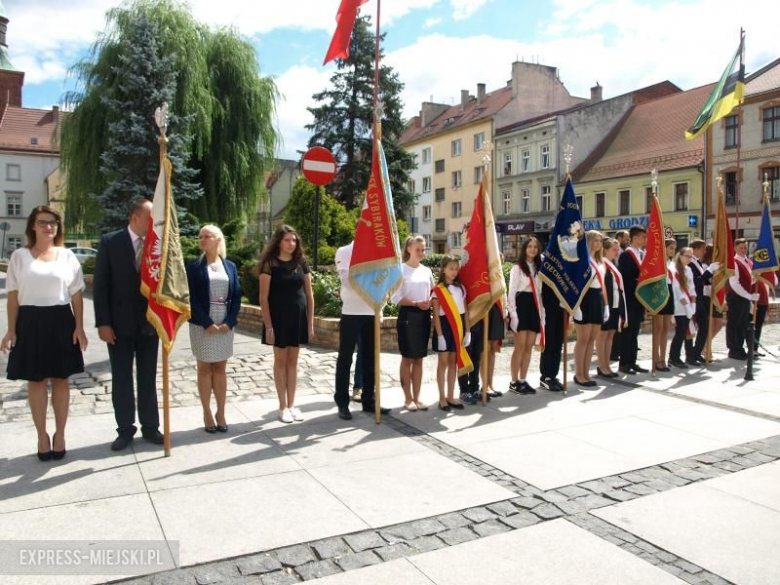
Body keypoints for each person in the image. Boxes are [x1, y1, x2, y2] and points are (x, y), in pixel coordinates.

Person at [1, 206, 87, 461]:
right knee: (36, 380)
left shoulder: (67, 256)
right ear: (33, 226)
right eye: (43, 222)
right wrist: (11, 329)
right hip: (30, 322)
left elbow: (77, 294)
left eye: (53, 223)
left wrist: (79, 327)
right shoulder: (19, 256)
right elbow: (13, 297)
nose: (49, 227)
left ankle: (60, 434)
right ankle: (41, 436)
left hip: (61, 320)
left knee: (61, 379)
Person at [94, 198, 163, 451]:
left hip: (149, 325)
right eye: (149, 218)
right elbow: (100, 287)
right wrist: (103, 322)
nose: (153, 222)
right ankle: (125, 430)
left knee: (148, 378)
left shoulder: (156, 245)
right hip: (118, 326)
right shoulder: (111, 242)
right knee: (122, 378)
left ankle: (151, 427)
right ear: (135, 218)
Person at [186, 225, 242, 433]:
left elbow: (236, 295)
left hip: (224, 324)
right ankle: (207, 412)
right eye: (200, 236)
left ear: (218, 240)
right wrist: (206, 322)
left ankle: (221, 412)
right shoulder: (194, 266)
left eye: (207, 236)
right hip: (203, 324)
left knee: (220, 368)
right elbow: (190, 296)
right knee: (204, 367)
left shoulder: (230, 266)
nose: (202, 239)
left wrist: (230, 320)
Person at [259, 225, 315, 423]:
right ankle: (282, 406)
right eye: (287, 240)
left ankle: (292, 405)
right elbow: (263, 298)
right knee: (280, 362)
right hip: (278, 319)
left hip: (298, 318)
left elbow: (309, 295)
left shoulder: (301, 263)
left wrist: (310, 324)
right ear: (278, 242)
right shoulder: (270, 264)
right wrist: (269, 326)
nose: (291, 244)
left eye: (294, 240)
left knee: (293, 362)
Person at [334, 241, 391, 420]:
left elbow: (385, 282)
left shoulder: (378, 252)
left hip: (371, 310)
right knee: (345, 358)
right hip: (351, 312)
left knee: (370, 359)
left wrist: (380, 309)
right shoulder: (344, 251)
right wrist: (370, 277)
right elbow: (347, 281)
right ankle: (342, 403)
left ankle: (369, 400)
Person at [392, 235, 433, 411]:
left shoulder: (427, 271)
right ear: (408, 249)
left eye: (423, 249)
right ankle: (407, 398)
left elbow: (433, 292)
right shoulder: (400, 270)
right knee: (407, 357)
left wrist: (429, 302)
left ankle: (417, 397)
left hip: (424, 316)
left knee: (419, 358)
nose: (421, 253)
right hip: (408, 315)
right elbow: (395, 298)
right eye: (418, 249)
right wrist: (416, 303)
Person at [432, 256, 471, 411]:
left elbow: (465, 312)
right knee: (443, 363)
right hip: (444, 326)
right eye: (451, 268)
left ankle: (450, 396)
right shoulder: (438, 290)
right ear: (443, 269)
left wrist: (467, 331)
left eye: (456, 268)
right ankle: (441, 398)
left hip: (458, 326)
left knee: (453, 363)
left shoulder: (461, 288)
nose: (454, 272)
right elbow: (435, 315)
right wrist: (440, 335)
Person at [508, 237, 544, 394]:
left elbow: (540, 292)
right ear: (524, 249)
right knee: (520, 346)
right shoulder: (517, 268)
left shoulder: (539, 267)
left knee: (529, 346)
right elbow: (511, 292)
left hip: (534, 307)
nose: (533, 249)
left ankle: (523, 380)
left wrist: (542, 314)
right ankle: (514, 381)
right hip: (521, 306)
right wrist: (513, 315)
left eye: (535, 247)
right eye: (530, 246)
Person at [573, 231, 608, 386]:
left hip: (597, 298)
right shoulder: (582, 260)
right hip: (584, 298)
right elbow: (577, 284)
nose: (598, 243)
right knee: (583, 339)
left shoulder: (601, 262)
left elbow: (603, 285)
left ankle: (586, 373)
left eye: (600, 241)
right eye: (595, 240)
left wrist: (606, 305)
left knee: (592, 339)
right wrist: (576, 306)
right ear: (588, 242)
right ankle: (579, 374)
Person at [618, 226, 649, 375]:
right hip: (630, 299)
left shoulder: (642, 255)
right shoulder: (626, 255)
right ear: (635, 238)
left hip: (639, 300)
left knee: (635, 332)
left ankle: (632, 361)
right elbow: (626, 278)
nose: (645, 240)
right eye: (643, 237)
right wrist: (639, 281)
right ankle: (624, 363)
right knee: (627, 333)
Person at [597, 238, 626, 378]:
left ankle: (607, 365)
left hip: (615, 305)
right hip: (605, 305)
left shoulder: (615, 264)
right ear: (605, 250)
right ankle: (601, 366)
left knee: (610, 336)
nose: (617, 251)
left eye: (618, 248)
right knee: (602, 336)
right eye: (614, 249)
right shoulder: (602, 264)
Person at [726, 238, 758, 360]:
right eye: (741, 247)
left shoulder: (748, 262)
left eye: (745, 247)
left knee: (743, 324)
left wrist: (755, 278)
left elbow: (748, 280)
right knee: (734, 323)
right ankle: (733, 349)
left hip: (744, 297)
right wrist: (748, 295)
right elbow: (734, 283)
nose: (743, 250)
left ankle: (739, 348)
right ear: (735, 248)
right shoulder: (734, 262)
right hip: (735, 297)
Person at [652, 239, 677, 372]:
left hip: (670, 291)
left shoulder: (672, 263)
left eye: (674, 248)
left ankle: (663, 358)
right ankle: (655, 359)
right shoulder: (658, 261)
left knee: (666, 328)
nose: (673, 251)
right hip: (660, 291)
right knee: (658, 328)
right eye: (671, 248)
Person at [687, 240, 714, 365]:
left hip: (700, 298)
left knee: (704, 327)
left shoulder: (697, 262)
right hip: (693, 299)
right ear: (696, 249)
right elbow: (695, 281)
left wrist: (714, 276)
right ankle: (691, 355)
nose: (704, 251)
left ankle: (695, 353)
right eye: (703, 249)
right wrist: (709, 271)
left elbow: (704, 281)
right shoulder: (690, 264)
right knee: (694, 328)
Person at [669, 247, 696, 369]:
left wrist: (693, 304)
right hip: (680, 306)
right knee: (680, 333)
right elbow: (678, 290)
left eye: (691, 256)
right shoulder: (674, 269)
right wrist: (686, 306)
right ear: (680, 255)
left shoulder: (689, 269)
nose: (689, 259)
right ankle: (673, 357)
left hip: (690, 304)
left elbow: (692, 288)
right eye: (687, 256)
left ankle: (682, 356)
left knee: (686, 331)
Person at [702, 243, 724, 359]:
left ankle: (706, 345)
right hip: (708, 296)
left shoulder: (715, 266)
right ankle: (705, 348)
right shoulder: (705, 266)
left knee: (719, 324)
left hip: (716, 297)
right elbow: (706, 283)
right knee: (711, 324)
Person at [754, 271, 777, 357]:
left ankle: (754, 349)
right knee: (752, 326)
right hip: (755, 300)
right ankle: (751, 349)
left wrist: (771, 271)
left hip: (764, 301)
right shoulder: (757, 268)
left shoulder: (768, 271)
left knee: (758, 326)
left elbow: (775, 281)